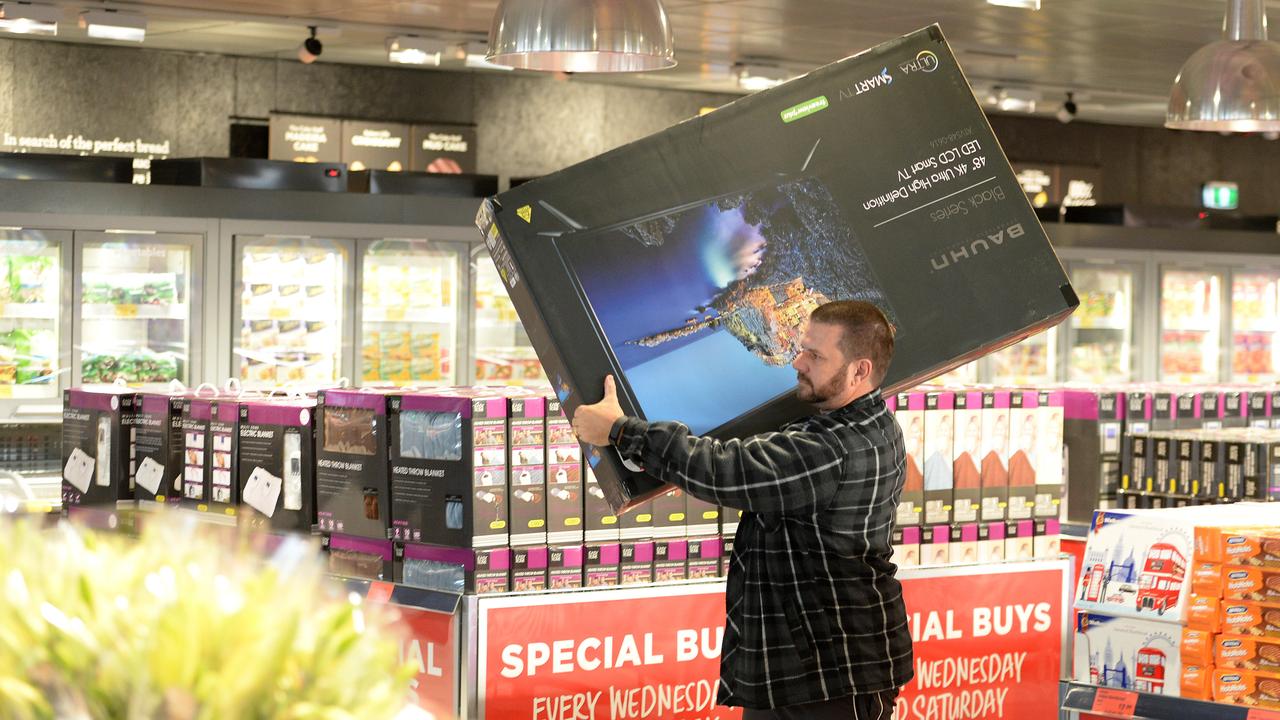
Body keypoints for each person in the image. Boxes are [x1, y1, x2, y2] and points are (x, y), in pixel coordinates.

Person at [572, 300, 913, 720]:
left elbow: (724, 472)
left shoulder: (831, 448)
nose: (798, 361)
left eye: (816, 356)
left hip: (831, 674)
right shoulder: (873, 421)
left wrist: (618, 431)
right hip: (815, 666)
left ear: (860, 371)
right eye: (803, 347)